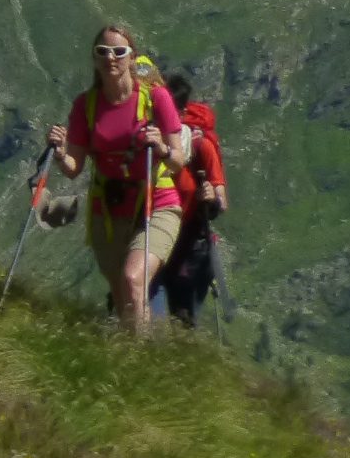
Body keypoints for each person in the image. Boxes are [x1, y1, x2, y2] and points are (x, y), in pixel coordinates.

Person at [47, 22, 190, 332]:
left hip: (157, 203)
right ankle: (135, 358)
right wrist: (60, 153)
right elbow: (74, 167)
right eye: (102, 52)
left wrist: (162, 148)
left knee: (132, 278)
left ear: (131, 57)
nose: (110, 58)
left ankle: (138, 360)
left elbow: (178, 160)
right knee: (124, 293)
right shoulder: (85, 106)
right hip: (108, 211)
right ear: (94, 59)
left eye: (118, 51)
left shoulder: (156, 99)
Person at [157, 72, 230, 328]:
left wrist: (211, 198)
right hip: (157, 234)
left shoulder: (200, 146)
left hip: (190, 244)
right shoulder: (150, 143)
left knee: (181, 316)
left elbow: (221, 201)